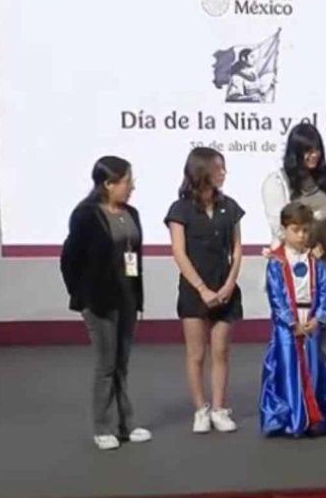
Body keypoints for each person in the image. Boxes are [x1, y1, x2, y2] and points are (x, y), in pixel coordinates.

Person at [60, 156, 151, 451]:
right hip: (99, 301)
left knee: (122, 363)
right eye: (127, 181)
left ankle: (126, 425)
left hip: (127, 297)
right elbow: (70, 260)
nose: (132, 187)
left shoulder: (131, 213)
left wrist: (136, 296)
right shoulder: (86, 215)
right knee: (106, 364)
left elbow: (134, 257)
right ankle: (103, 427)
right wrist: (82, 295)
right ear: (109, 184)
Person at [165, 147, 245, 434]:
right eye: (218, 168)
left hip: (225, 287)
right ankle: (201, 409)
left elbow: (237, 249)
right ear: (202, 171)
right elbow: (179, 252)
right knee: (196, 354)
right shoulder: (180, 209)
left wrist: (229, 284)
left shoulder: (230, 207)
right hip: (194, 290)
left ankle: (220, 408)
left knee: (221, 352)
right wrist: (201, 289)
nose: (223, 173)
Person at [260, 202, 326, 437]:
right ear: (284, 230)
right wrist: (291, 322)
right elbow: (276, 296)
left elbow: (324, 291)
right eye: (295, 230)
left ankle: (313, 418)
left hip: (311, 321)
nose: (301, 236)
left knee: (314, 367)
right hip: (289, 325)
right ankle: (293, 420)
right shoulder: (277, 261)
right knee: (288, 369)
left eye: (305, 230)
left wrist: (319, 318)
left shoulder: (315, 261)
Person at [262, 122, 326, 272]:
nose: (314, 155)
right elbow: (280, 228)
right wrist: (315, 217)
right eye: (308, 151)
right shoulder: (277, 182)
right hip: (295, 265)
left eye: (317, 149)